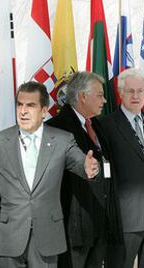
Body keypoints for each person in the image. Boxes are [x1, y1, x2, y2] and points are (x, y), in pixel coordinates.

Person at [0, 82, 99, 268]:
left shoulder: (62, 140)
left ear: (44, 110)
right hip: (8, 235)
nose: (23, 111)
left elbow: (81, 162)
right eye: (20, 104)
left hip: (47, 235)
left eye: (30, 105)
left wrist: (90, 168)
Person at [47, 71, 122, 268]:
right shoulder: (55, 128)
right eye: (99, 95)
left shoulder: (96, 124)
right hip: (74, 226)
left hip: (99, 221)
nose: (105, 100)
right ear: (82, 96)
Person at [100, 68, 144, 268]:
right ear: (120, 92)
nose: (136, 96)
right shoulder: (106, 125)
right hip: (124, 215)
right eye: (130, 91)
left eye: (140, 91)